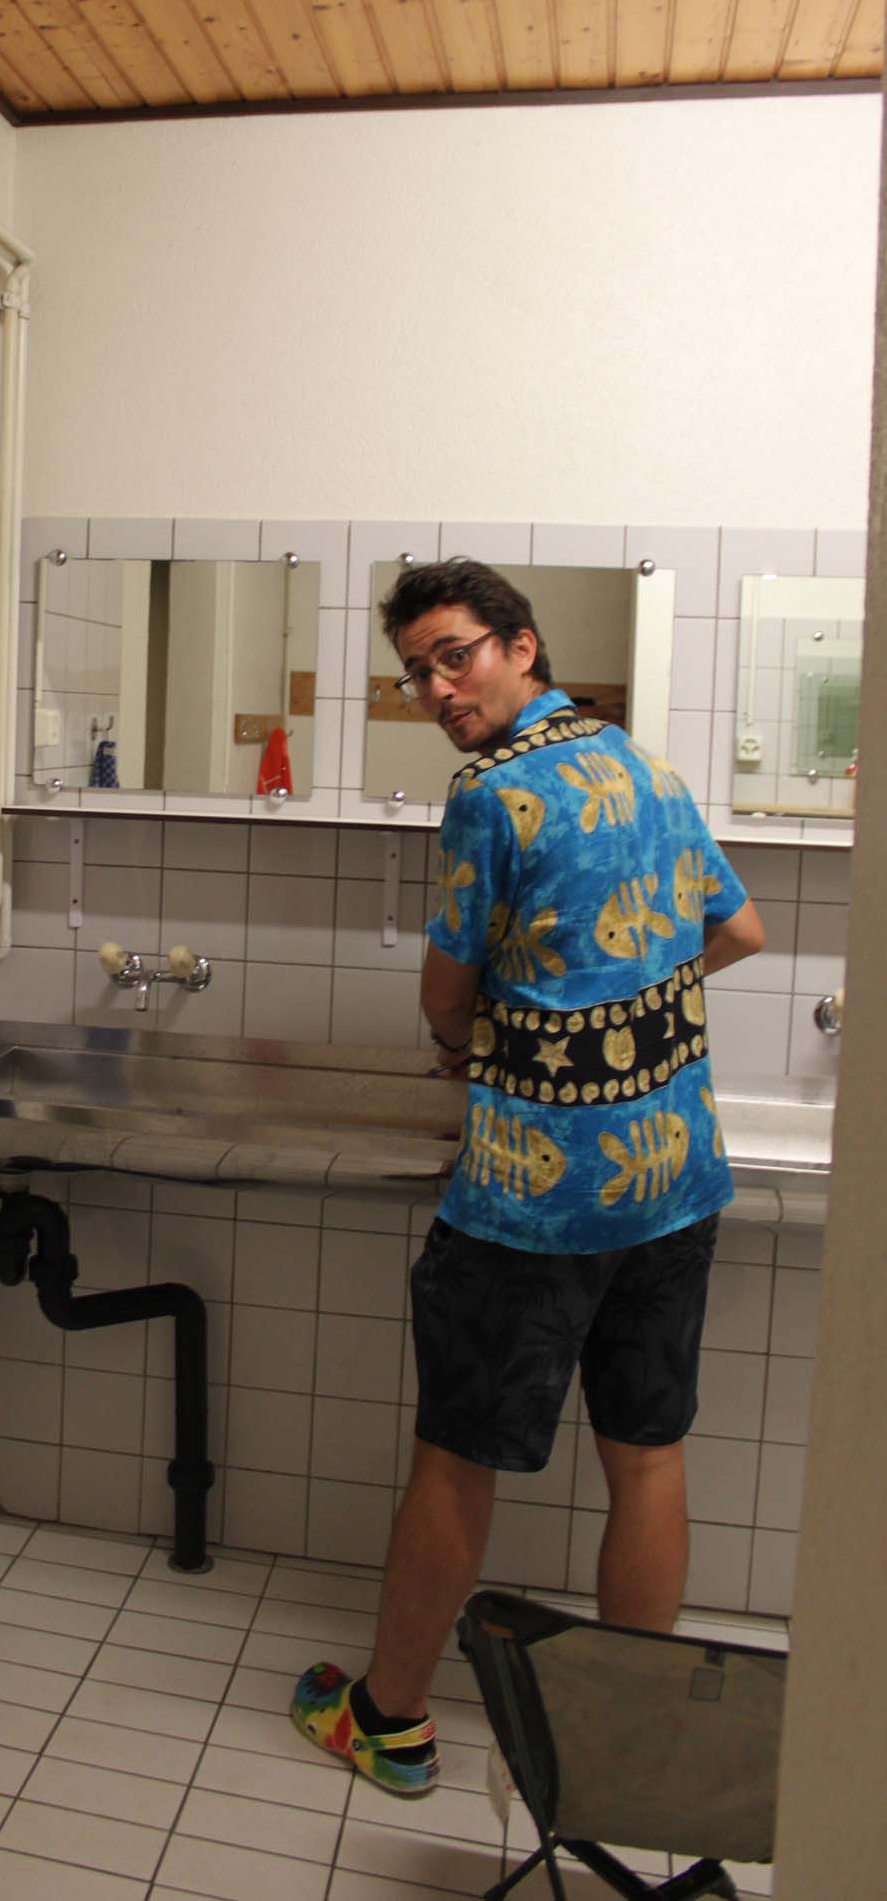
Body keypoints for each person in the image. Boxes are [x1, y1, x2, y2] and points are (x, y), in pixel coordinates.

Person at [292, 557, 764, 1797]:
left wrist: (476, 1040)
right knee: (645, 1453)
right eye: (416, 673)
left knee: (460, 1454)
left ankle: (390, 1720)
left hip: (534, 1198)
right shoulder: (646, 767)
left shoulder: (491, 793)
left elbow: (446, 990)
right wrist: (625, 1008)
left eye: (455, 655)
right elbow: (738, 927)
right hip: (672, 1178)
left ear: (520, 644)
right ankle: (622, 1744)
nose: (438, 689)